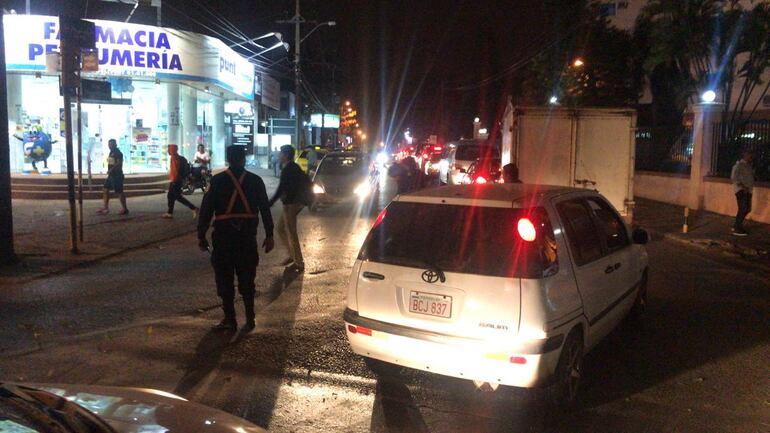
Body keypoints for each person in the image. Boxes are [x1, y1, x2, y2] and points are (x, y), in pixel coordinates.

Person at [198, 146, 275, 331]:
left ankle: (230, 319)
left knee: (224, 279)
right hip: (246, 238)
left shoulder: (217, 181)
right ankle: (250, 317)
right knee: (247, 278)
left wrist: (201, 235)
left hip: (223, 238)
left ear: (228, 159)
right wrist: (270, 235)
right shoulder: (255, 181)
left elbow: (206, 210)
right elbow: (265, 209)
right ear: (244, 159)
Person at [270, 145, 309, 272]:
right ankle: (292, 255)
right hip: (292, 203)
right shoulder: (292, 167)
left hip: (291, 204)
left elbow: (281, 188)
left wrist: (271, 202)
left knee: (291, 232)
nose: (279, 155)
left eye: (281, 153)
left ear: (286, 155)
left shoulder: (289, 168)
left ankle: (299, 262)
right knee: (280, 228)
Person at [164, 144, 198, 219]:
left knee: (178, 197)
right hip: (176, 180)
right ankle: (169, 213)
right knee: (170, 196)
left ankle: (193, 208)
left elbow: (175, 171)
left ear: (172, 150)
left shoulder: (174, 158)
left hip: (175, 180)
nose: (168, 151)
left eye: (169, 149)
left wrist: (174, 181)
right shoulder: (177, 157)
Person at [97, 139, 128, 215]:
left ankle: (125, 208)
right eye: (109, 144)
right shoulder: (111, 152)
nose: (110, 146)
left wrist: (111, 169)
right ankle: (105, 207)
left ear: (115, 145)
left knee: (119, 192)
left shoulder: (118, 153)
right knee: (105, 189)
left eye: (111, 144)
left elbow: (119, 163)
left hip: (117, 175)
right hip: (111, 175)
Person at [730, 151, 754, 236]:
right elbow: (734, 178)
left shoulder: (748, 166)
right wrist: (743, 187)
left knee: (747, 209)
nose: (751, 157)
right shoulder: (738, 165)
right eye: (749, 155)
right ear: (744, 155)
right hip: (741, 190)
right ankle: (737, 228)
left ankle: (736, 225)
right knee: (743, 208)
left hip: (748, 190)